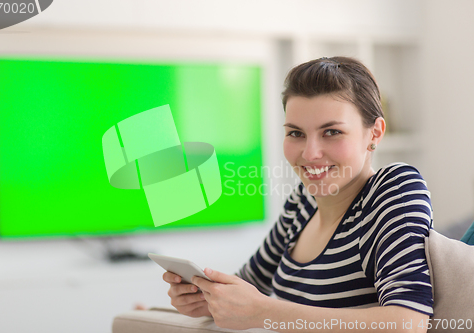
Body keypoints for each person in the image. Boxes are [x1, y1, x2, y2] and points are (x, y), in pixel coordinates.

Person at [163, 56, 433, 332]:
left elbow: (408, 323)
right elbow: (246, 289)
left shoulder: (394, 188)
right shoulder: (301, 203)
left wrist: (263, 311)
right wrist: (207, 299)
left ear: (374, 133)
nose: (309, 153)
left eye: (331, 131)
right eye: (295, 133)